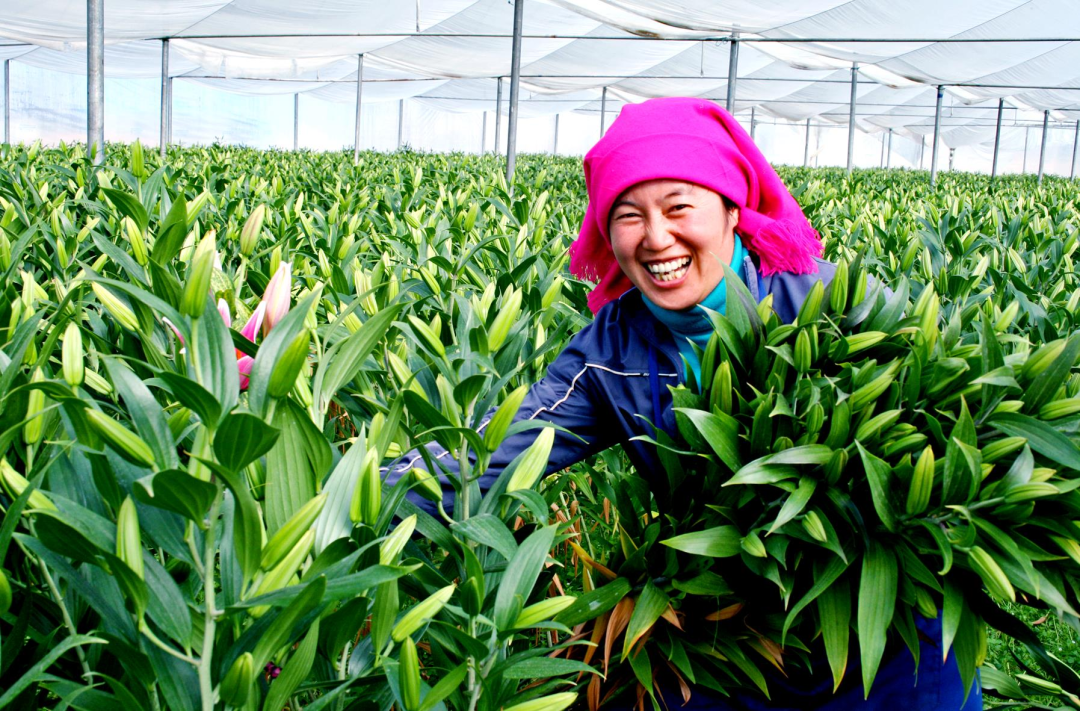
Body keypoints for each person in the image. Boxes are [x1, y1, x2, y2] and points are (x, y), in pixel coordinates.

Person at [387, 97, 979, 710]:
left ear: (731, 210)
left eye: (678, 207)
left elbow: (959, 428)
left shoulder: (832, 306)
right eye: (628, 215)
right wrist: (335, 489)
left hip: (886, 632)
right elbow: (488, 452)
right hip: (731, 639)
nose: (656, 237)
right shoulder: (609, 351)